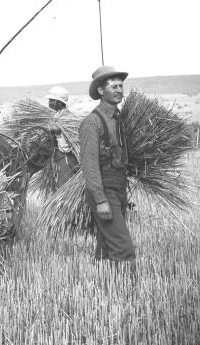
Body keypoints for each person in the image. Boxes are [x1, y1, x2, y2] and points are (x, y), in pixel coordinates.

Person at [79, 66, 135, 263]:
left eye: (121, 86)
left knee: (106, 244)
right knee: (123, 247)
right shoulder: (92, 123)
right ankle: (129, 292)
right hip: (104, 187)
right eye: (114, 86)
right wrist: (101, 199)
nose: (119, 90)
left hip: (119, 186)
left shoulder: (118, 119)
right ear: (101, 91)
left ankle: (101, 287)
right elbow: (89, 164)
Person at [45, 86, 77, 187]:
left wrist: (58, 134)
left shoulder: (67, 119)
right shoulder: (56, 116)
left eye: (51, 100)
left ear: (59, 102)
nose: (49, 103)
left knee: (65, 188)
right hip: (57, 159)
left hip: (66, 161)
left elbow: (67, 148)